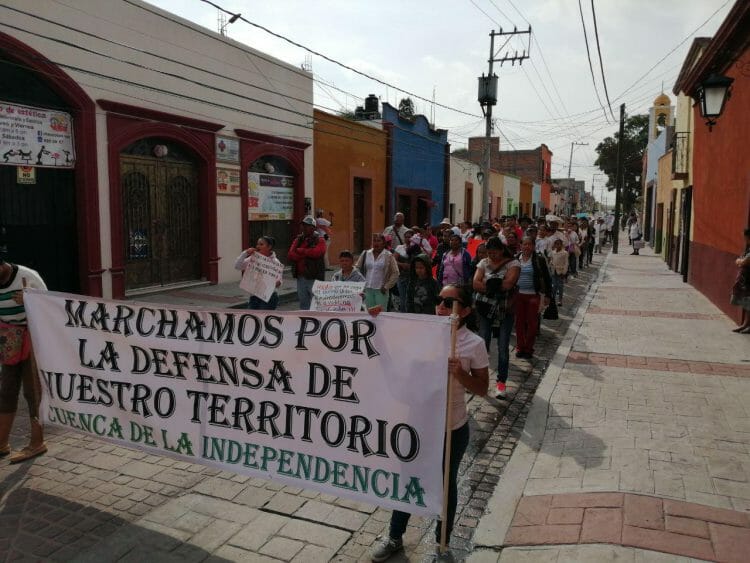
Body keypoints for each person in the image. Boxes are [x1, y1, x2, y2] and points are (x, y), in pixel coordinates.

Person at [370, 284, 489, 562]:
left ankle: (442, 545)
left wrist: (460, 373)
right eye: (439, 301)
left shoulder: (474, 343)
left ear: (467, 310)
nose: (442, 307)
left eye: (450, 303)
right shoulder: (422, 334)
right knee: (408, 481)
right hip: (417, 425)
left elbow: (482, 389)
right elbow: (393, 359)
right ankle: (395, 537)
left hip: (452, 428)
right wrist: (376, 321)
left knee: (445, 486)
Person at [0, 255, 47, 463]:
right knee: (7, 389)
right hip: (9, 339)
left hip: (32, 337)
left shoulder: (28, 276)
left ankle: (37, 442)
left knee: (32, 390)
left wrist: (29, 300)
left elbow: (49, 308)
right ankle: (2, 443)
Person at [473, 237, 520, 399]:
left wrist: (488, 285)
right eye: (489, 252)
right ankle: (481, 380)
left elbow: (509, 284)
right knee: (482, 344)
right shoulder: (483, 263)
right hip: (485, 309)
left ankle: (501, 383)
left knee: (503, 346)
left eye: (494, 252)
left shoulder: (513, 264)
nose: (491, 255)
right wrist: (495, 286)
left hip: (504, 309)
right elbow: (475, 283)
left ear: (501, 250)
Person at [514, 236, 552, 360]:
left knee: (532, 324)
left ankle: (529, 348)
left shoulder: (538, 260)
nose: (526, 247)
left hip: (533, 295)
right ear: (521, 245)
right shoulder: (515, 259)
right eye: (524, 244)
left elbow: (547, 278)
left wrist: (547, 295)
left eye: (529, 244)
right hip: (518, 295)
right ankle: (520, 347)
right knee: (519, 323)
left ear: (533, 246)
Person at [234, 236, 283, 310]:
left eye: (261, 244)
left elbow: (279, 281)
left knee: (263, 319)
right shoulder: (253, 258)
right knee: (252, 319)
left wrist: (277, 283)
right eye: (257, 244)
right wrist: (245, 253)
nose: (258, 246)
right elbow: (237, 266)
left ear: (269, 247)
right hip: (254, 296)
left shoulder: (275, 262)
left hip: (269, 297)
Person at [288, 216, 326, 310]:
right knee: (303, 303)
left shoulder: (319, 240)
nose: (304, 228)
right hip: (301, 277)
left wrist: (302, 251)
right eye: (303, 225)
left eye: (307, 226)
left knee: (316, 304)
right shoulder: (298, 239)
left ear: (313, 228)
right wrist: (305, 253)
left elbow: (317, 252)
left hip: (314, 277)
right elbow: (291, 254)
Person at [355, 233, 399, 311]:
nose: (376, 243)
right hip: (367, 289)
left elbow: (395, 273)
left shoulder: (388, 256)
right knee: (369, 312)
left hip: (381, 291)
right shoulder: (366, 253)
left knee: (381, 313)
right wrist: (360, 284)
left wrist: (387, 286)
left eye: (378, 241)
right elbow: (357, 268)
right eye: (374, 241)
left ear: (384, 243)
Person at [730, 228, 750, 333]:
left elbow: (743, 261)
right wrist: (740, 261)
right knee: (746, 302)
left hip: (748, 279)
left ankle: (747, 325)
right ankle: (745, 324)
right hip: (745, 280)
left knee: (748, 301)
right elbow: (740, 260)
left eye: (745, 237)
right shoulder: (748, 249)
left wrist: (740, 261)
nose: (744, 239)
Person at [548, 238, 569, 307]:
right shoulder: (553, 252)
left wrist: (564, 272)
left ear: (561, 245)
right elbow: (551, 260)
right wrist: (551, 264)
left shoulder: (565, 253)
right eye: (556, 244)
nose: (557, 245)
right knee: (554, 286)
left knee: (560, 286)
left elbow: (566, 263)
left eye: (558, 244)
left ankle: (560, 300)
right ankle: (553, 298)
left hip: (560, 271)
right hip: (554, 271)